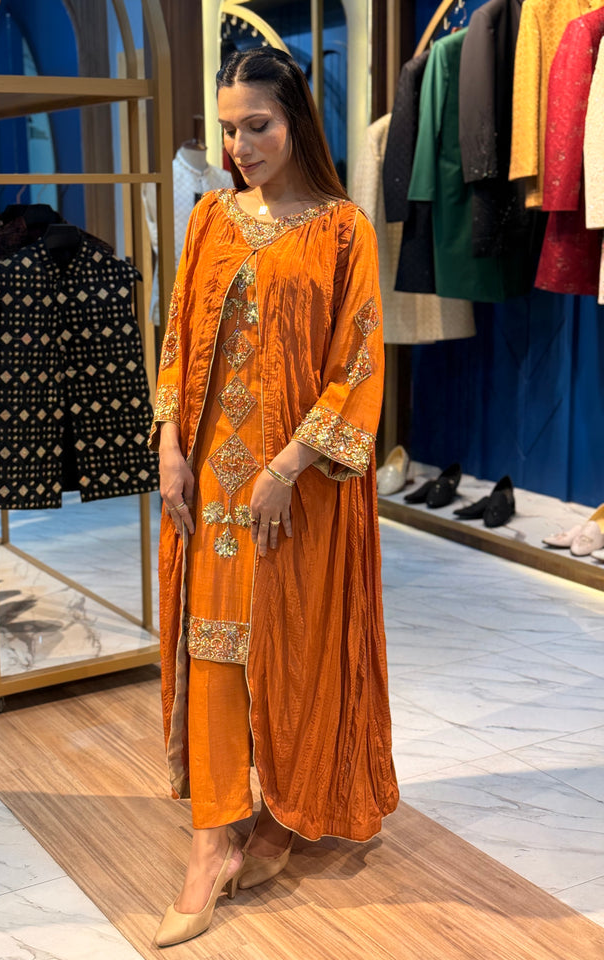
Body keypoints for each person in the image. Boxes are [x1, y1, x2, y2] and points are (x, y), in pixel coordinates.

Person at [148, 46, 399, 948]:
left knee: (295, 648)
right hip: (211, 483)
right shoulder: (210, 219)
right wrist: (169, 443)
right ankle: (211, 841)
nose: (239, 146)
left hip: (301, 485)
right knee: (214, 652)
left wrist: (287, 468)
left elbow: (359, 363)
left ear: (296, 120)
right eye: (228, 129)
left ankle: (284, 814)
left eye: (257, 126)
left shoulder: (343, 230)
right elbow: (177, 334)